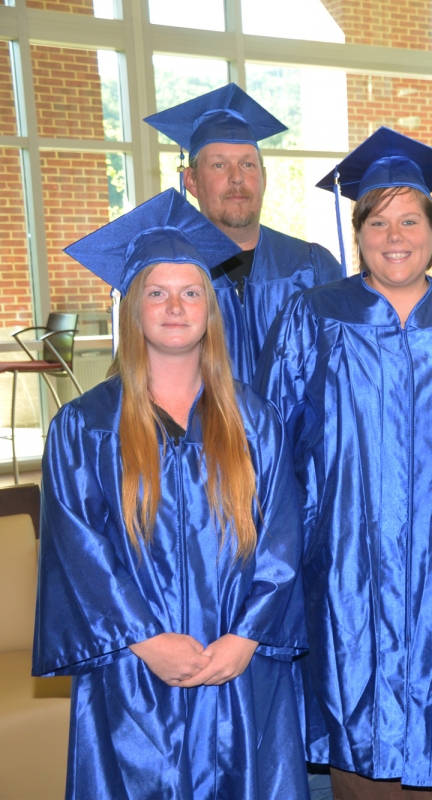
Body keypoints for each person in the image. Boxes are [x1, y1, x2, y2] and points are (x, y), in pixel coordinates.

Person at [256, 127, 432, 800]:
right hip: (344, 559)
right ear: (359, 232)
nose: (395, 235)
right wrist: (280, 551)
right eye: (378, 221)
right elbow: (271, 441)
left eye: (411, 219)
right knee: (354, 709)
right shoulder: (313, 316)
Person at [34, 189, 308, 799]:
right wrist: (147, 641)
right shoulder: (84, 426)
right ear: (132, 310)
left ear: (211, 310)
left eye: (191, 293)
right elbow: (78, 551)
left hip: (238, 663)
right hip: (133, 668)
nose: (175, 307)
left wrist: (246, 637)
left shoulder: (254, 420)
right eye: (156, 293)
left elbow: (282, 537)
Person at [145, 83, 343, 384]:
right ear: (192, 181)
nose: (237, 178)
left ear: (264, 178)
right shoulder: (165, 274)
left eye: (248, 165)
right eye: (219, 165)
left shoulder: (313, 267)